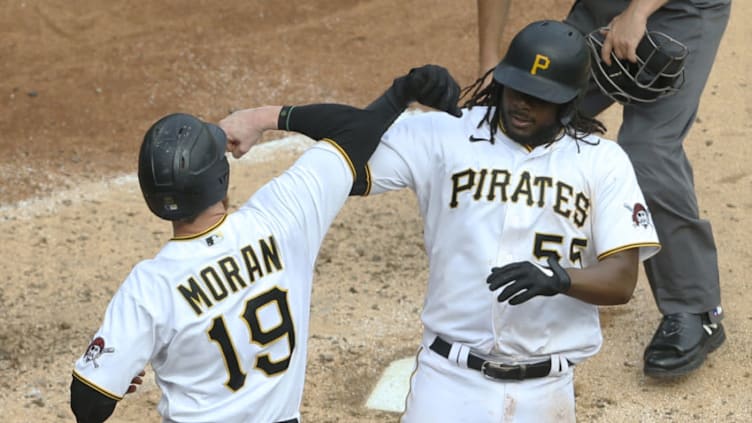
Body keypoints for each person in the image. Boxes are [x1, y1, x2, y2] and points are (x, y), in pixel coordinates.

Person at [68, 64, 462, 423]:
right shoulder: (281, 217)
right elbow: (354, 128)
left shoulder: (149, 288)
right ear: (219, 177)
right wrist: (399, 92)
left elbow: (89, 405)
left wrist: (122, 366)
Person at [365, 20, 660, 422]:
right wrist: (396, 96)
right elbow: (348, 161)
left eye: (541, 97)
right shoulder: (450, 134)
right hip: (447, 381)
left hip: (545, 392)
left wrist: (562, 280)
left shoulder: (601, 162)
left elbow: (623, 280)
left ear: (568, 101)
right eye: (518, 90)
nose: (524, 104)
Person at [476, 0, 730, 379]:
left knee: (648, 149)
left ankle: (694, 308)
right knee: (526, 105)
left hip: (682, 7)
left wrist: (638, 13)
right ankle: (507, 246)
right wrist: (490, 59)